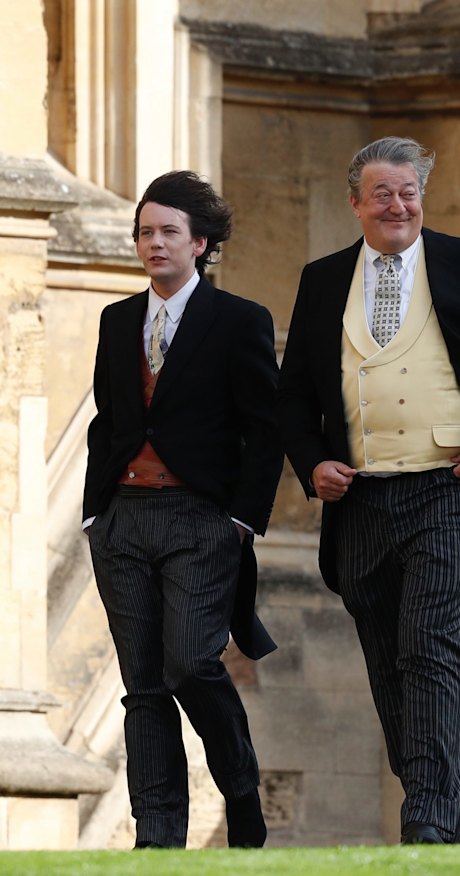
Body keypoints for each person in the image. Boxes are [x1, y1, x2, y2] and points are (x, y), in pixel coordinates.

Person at [277, 136, 460, 845]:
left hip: (452, 487)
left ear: (420, 198)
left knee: (430, 640)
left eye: (409, 192)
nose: (398, 205)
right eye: (383, 193)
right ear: (355, 202)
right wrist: (313, 464)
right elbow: (294, 396)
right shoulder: (322, 279)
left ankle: (428, 817)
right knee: (387, 650)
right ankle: (429, 786)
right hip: (361, 498)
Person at [83, 170, 283, 849]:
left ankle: (241, 788)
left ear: (200, 243)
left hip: (202, 520)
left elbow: (267, 428)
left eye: (169, 231)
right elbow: (107, 422)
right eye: (145, 231)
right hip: (122, 521)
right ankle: (158, 837)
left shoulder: (240, 321)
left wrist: (242, 519)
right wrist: (93, 512)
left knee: (192, 662)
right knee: (142, 686)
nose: (154, 243)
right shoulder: (116, 322)